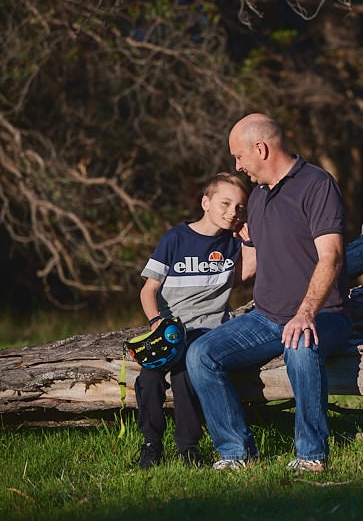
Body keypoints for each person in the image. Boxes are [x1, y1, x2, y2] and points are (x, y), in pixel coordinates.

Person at [185, 113, 351, 472]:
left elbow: (331, 256)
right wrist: (190, 286)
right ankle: (235, 452)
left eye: (239, 156)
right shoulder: (258, 198)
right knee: (200, 355)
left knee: (301, 344)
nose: (237, 165)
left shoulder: (317, 185)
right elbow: (250, 264)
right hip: (266, 318)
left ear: (260, 149)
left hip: (324, 315)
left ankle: (310, 455)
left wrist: (305, 314)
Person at [135, 172, 252, 468]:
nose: (232, 212)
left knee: (185, 375)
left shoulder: (232, 242)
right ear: (205, 202)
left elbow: (243, 276)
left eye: (239, 207)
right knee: (148, 378)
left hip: (209, 331)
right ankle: (151, 444)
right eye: (225, 203)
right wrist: (156, 322)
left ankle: (187, 447)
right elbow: (148, 290)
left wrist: (251, 243)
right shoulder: (176, 238)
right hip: (170, 329)